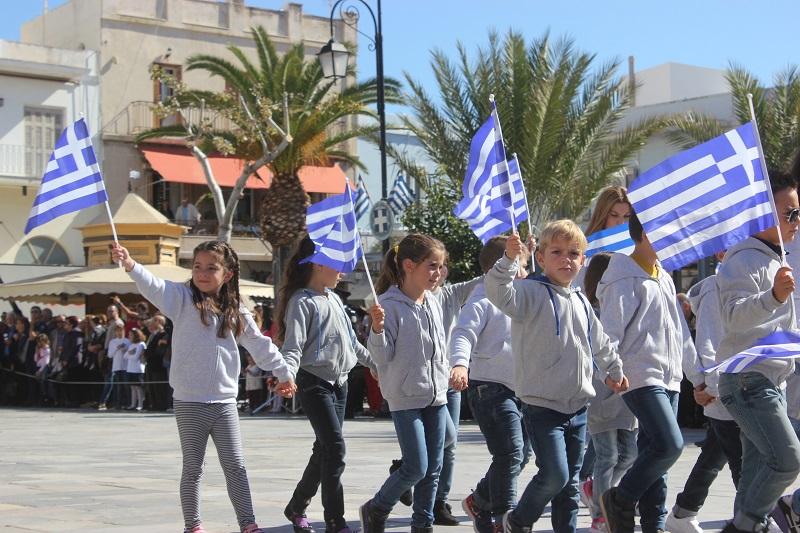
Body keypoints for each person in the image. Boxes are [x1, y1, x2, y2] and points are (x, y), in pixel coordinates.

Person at [111, 240, 297, 533]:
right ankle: (193, 526)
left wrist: (283, 372)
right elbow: (154, 286)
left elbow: (259, 344)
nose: (202, 273)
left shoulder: (236, 310)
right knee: (193, 467)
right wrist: (130, 264)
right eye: (197, 266)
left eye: (211, 268)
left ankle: (248, 524)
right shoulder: (182, 298)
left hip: (224, 402)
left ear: (228, 274)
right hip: (189, 400)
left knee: (236, 465)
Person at [485, 223, 628, 533]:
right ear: (541, 257)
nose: (566, 259)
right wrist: (508, 260)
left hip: (578, 407)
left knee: (570, 485)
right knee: (555, 475)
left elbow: (600, 341)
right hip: (542, 407)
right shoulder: (528, 292)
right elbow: (497, 291)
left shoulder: (580, 300)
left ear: (583, 260)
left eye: (574, 253)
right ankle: (517, 522)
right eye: (557, 252)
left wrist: (614, 369)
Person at [597, 212, 698, 533]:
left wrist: (699, 379)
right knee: (670, 445)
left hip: (670, 379)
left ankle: (653, 524)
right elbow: (609, 331)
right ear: (644, 234)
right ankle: (620, 499)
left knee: (657, 456)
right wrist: (610, 368)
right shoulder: (621, 276)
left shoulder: (663, 276)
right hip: (640, 376)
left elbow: (681, 333)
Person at [714, 171, 800, 533]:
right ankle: (745, 525)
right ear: (762, 212)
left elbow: (777, 327)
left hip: (768, 380)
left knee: (755, 471)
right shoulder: (742, 260)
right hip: (749, 379)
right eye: (790, 213)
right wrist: (774, 296)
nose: (797, 221)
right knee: (787, 459)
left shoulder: (773, 258)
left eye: (798, 213)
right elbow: (733, 317)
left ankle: (749, 524)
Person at [276, 236, 378, 533]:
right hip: (314, 383)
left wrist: (377, 365)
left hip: (340, 383)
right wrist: (286, 374)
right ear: (318, 263)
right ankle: (335, 521)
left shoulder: (335, 299)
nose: (342, 271)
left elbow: (352, 345)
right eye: (337, 263)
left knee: (324, 449)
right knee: (335, 449)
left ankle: (296, 506)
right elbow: (292, 347)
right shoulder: (301, 301)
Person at [359, 234, 452, 533]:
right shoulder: (388, 305)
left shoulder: (433, 302)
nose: (438, 272)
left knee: (433, 468)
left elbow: (440, 347)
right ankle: (377, 507)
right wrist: (377, 329)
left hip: (437, 396)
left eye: (440, 266)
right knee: (416, 467)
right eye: (432, 266)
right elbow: (381, 357)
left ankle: (422, 525)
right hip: (405, 398)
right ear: (409, 266)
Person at [454, 236, 533, 533]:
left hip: (521, 389)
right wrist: (460, 363)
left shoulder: (521, 297)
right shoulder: (482, 299)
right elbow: (463, 333)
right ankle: (504, 518)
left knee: (520, 454)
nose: (525, 273)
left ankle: (480, 500)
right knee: (510, 452)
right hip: (489, 388)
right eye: (521, 266)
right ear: (498, 269)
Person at [665, 251, 747, 533]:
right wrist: (710, 386)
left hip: (737, 387)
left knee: (715, 454)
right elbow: (709, 344)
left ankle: (683, 512)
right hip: (727, 391)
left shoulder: (745, 278)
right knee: (743, 462)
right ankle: (751, 519)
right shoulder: (716, 287)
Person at [579, 186, 633, 496]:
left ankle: (593, 489)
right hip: (594, 353)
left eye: (627, 217)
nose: (620, 223)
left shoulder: (635, 252)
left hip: (628, 354)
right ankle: (594, 495)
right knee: (603, 443)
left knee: (624, 449)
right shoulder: (586, 251)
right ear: (602, 215)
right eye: (614, 215)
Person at [580, 252, 638, 533]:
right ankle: (601, 514)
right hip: (599, 390)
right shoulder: (589, 310)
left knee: (629, 455)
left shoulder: (622, 303)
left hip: (625, 390)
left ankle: (596, 491)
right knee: (607, 455)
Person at [144, 315, 171, 411]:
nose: (152, 322)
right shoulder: (154, 334)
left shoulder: (164, 334)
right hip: (150, 363)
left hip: (158, 364)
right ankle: (154, 404)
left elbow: (160, 350)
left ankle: (161, 405)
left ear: (159, 322)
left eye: (154, 320)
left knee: (159, 387)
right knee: (151, 386)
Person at [105, 323, 129, 410]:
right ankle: (118, 404)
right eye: (118, 331)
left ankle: (127, 403)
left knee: (126, 386)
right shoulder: (112, 342)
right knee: (118, 386)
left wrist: (125, 348)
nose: (119, 333)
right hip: (116, 367)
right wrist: (117, 348)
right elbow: (110, 355)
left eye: (121, 331)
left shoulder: (127, 341)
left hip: (126, 367)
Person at [124, 328, 147, 411]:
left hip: (138, 369)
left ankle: (140, 405)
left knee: (138, 387)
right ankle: (133, 404)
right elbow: (125, 356)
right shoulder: (131, 345)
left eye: (131, 335)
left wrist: (130, 354)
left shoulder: (141, 344)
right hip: (130, 369)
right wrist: (130, 353)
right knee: (132, 387)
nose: (129, 336)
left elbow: (136, 357)